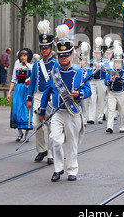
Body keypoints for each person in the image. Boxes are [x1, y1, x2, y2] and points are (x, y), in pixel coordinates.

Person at [39, 25, 91, 182]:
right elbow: (46, 92)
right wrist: (42, 111)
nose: (63, 58)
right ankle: (58, 168)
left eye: (66, 55)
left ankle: (72, 170)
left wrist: (79, 94)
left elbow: (88, 91)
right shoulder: (53, 74)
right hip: (57, 112)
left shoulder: (80, 73)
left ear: (71, 55)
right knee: (55, 140)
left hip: (73, 112)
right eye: (61, 56)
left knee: (72, 143)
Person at [26, 20, 57, 164]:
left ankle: (51, 152)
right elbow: (32, 83)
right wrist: (28, 98)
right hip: (38, 97)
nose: (44, 50)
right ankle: (41, 149)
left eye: (46, 48)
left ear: (51, 48)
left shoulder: (56, 64)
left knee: (51, 126)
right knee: (35, 124)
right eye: (42, 48)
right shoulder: (37, 65)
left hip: (51, 97)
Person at [8, 48, 33, 142]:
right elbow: (13, 80)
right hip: (18, 89)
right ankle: (19, 133)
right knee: (16, 110)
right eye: (21, 56)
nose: (23, 57)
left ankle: (26, 135)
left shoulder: (31, 67)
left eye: (24, 56)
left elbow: (33, 80)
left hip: (27, 90)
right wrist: (9, 92)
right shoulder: (17, 67)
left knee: (26, 111)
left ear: (28, 57)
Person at [105, 45, 124, 133]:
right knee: (111, 110)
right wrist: (110, 80)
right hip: (112, 93)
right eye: (116, 63)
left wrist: (120, 78)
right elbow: (106, 82)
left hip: (122, 93)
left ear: (122, 64)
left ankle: (122, 126)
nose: (117, 65)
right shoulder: (110, 71)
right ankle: (110, 127)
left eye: (119, 63)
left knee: (122, 111)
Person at [88, 37, 109, 124]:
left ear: (101, 53)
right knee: (92, 99)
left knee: (101, 99)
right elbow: (88, 71)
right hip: (92, 81)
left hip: (101, 81)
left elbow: (109, 70)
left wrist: (103, 66)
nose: (97, 55)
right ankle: (91, 118)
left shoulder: (105, 61)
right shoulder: (91, 61)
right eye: (96, 53)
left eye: (98, 53)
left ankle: (100, 117)